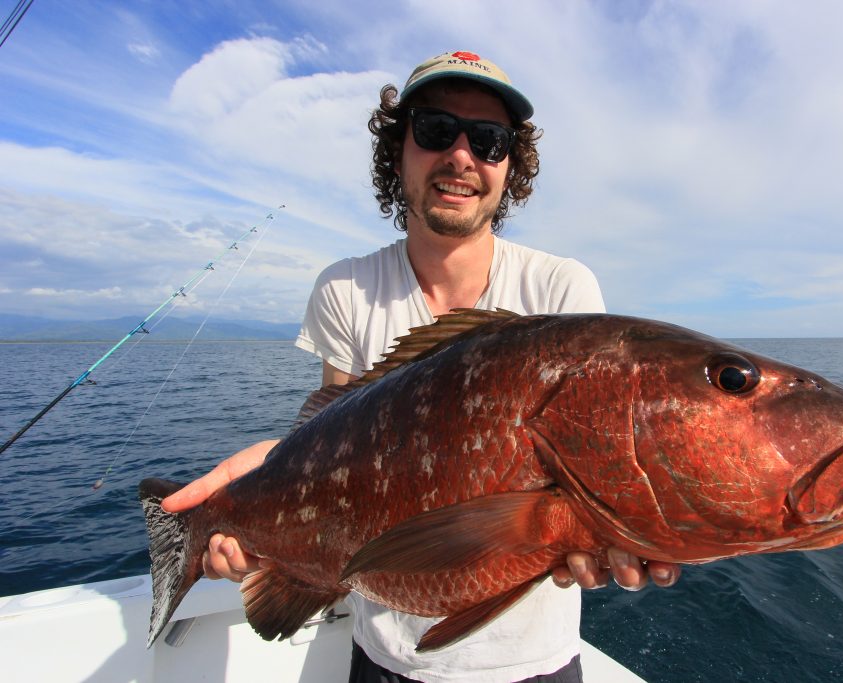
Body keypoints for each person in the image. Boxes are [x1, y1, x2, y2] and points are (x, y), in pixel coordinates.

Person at [162, 51, 681, 683]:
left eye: (489, 141)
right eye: (436, 130)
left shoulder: (562, 289)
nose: (462, 157)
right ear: (397, 150)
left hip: (536, 666)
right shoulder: (344, 289)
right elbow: (329, 444)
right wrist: (248, 503)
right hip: (384, 659)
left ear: (509, 166)